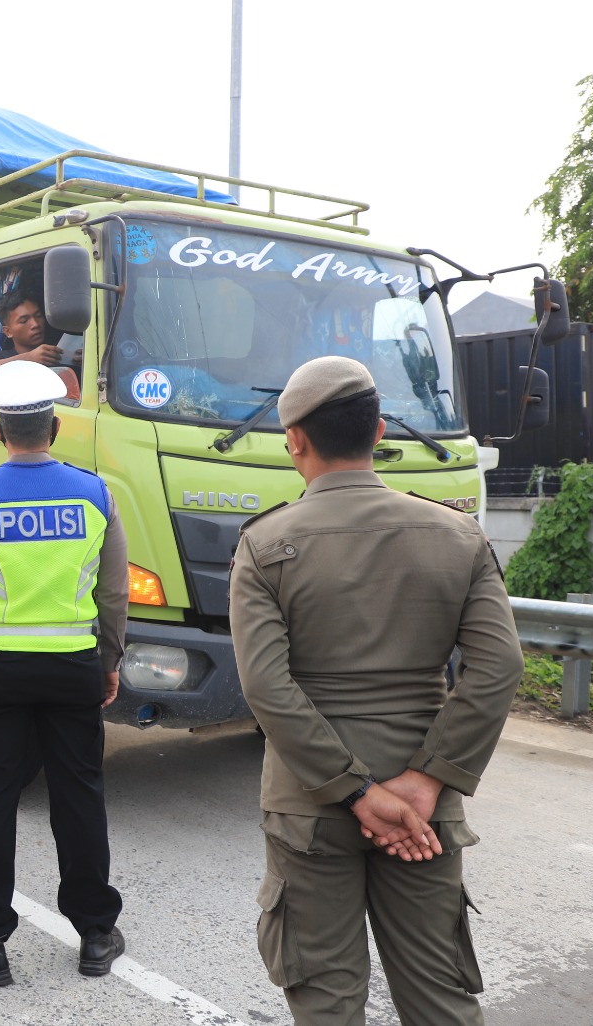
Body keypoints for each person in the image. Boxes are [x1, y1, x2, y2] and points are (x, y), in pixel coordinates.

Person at [228, 355, 523, 1025]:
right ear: (380, 430)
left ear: (295, 440)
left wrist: (355, 792)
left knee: (328, 1002)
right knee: (440, 998)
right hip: (425, 808)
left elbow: (268, 688)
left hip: (309, 806)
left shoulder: (265, 544)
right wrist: (428, 779)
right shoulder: (456, 535)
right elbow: (499, 666)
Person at [0, 361, 128, 987]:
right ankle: (95, 933)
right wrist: (110, 659)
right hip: (73, 667)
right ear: (56, 427)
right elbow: (114, 592)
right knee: (79, 797)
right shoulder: (96, 494)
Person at [0, 293, 60, 385]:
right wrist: (29, 358)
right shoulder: (3, 357)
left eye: (38, 316)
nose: (35, 324)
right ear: (8, 332)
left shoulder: (55, 353)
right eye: (24, 321)